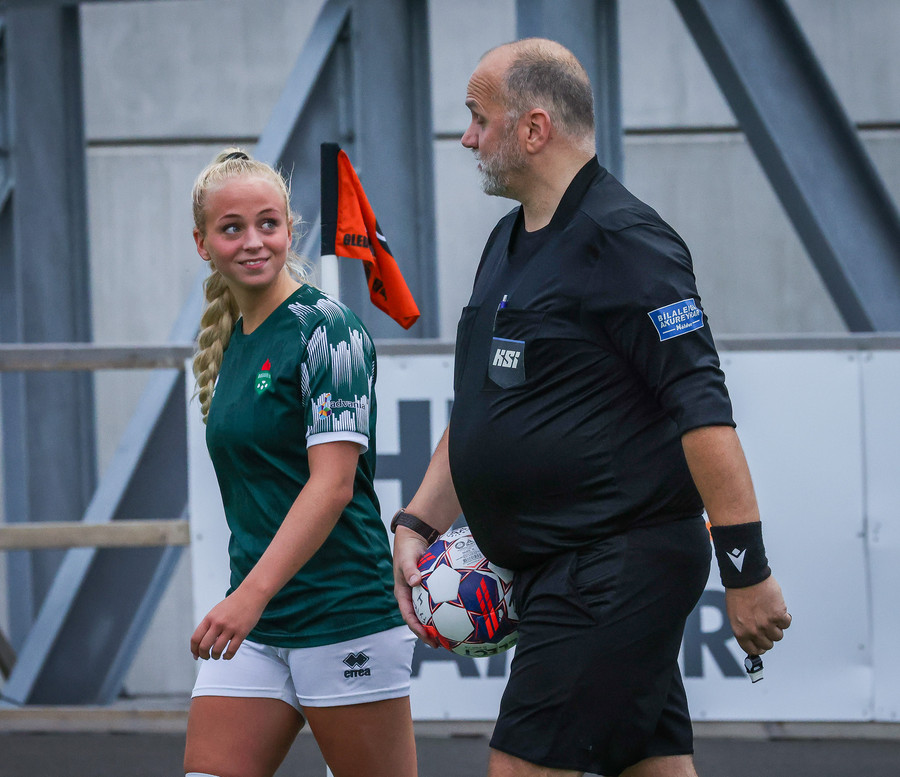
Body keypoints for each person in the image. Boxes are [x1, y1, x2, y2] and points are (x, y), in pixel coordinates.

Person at [392, 39, 791, 777]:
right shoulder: (506, 241)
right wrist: (418, 520)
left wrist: (747, 569)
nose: (467, 138)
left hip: (613, 567)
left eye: (478, 117)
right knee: (652, 765)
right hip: (558, 565)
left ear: (533, 128)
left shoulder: (627, 242)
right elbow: (483, 408)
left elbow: (701, 408)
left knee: (520, 766)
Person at [184, 148, 417, 777]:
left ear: (290, 229)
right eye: (231, 228)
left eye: (268, 223)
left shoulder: (330, 330)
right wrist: (251, 602)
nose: (253, 241)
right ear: (203, 243)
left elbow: (332, 486)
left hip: (342, 614)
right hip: (257, 624)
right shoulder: (232, 340)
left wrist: (248, 598)